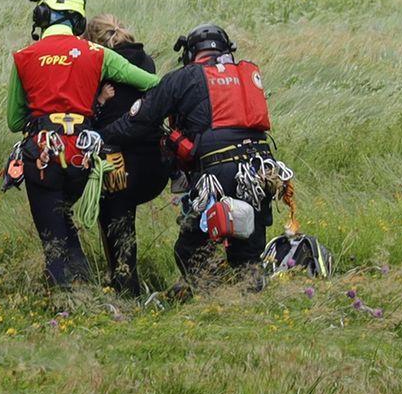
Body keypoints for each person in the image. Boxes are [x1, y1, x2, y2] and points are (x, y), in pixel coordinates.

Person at [6, 0, 159, 286]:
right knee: (65, 221)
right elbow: (152, 83)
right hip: (83, 157)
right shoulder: (97, 54)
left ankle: (69, 298)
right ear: (78, 21)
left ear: (42, 14)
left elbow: (14, 120)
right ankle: (85, 285)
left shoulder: (24, 57)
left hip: (43, 155)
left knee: (54, 236)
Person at [102, 22, 277, 282]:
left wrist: (100, 136)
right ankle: (247, 303)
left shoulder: (182, 77)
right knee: (248, 256)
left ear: (190, 52)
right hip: (261, 170)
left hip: (217, 173)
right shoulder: (247, 74)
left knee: (191, 249)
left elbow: (140, 120)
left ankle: (211, 301)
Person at [84, 14, 169, 296]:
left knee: (116, 219)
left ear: (92, 40)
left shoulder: (97, 63)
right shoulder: (146, 61)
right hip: (155, 163)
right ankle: (130, 282)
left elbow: (90, 116)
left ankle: (124, 285)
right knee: (123, 214)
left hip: (116, 159)